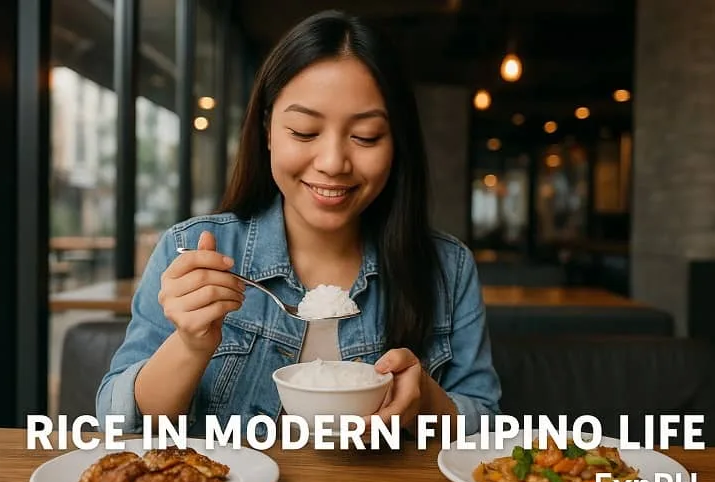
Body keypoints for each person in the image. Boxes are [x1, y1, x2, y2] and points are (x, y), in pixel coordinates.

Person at [96, 9, 501, 440]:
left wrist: (428, 401)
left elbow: (489, 424)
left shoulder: (447, 267)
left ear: (397, 142)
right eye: (305, 132)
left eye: (365, 137)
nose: (332, 163)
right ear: (269, 129)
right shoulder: (192, 249)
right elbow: (114, 422)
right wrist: (192, 345)